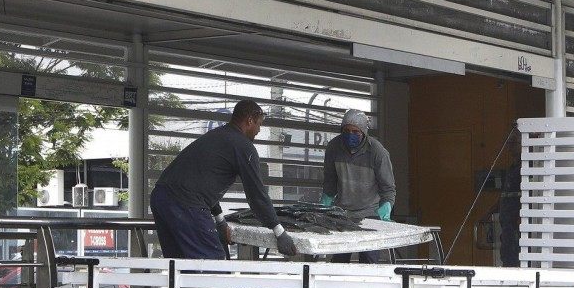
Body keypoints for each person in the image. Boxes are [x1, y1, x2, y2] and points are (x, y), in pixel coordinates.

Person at [151, 99, 297, 259]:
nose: (259, 130)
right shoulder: (243, 147)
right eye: (258, 124)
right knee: (214, 268)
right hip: (185, 204)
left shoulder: (216, 136)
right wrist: (279, 231)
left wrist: (220, 222)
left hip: (161, 198)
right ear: (249, 120)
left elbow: (201, 184)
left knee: (179, 266)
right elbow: (257, 196)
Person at [320, 109, 396, 263]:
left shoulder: (377, 152)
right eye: (346, 131)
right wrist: (324, 207)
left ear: (364, 132)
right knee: (339, 259)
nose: (350, 135)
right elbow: (330, 183)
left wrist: (385, 211)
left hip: (370, 213)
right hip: (343, 213)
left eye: (355, 131)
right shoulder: (334, 147)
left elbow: (388, 189)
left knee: (368, 259)